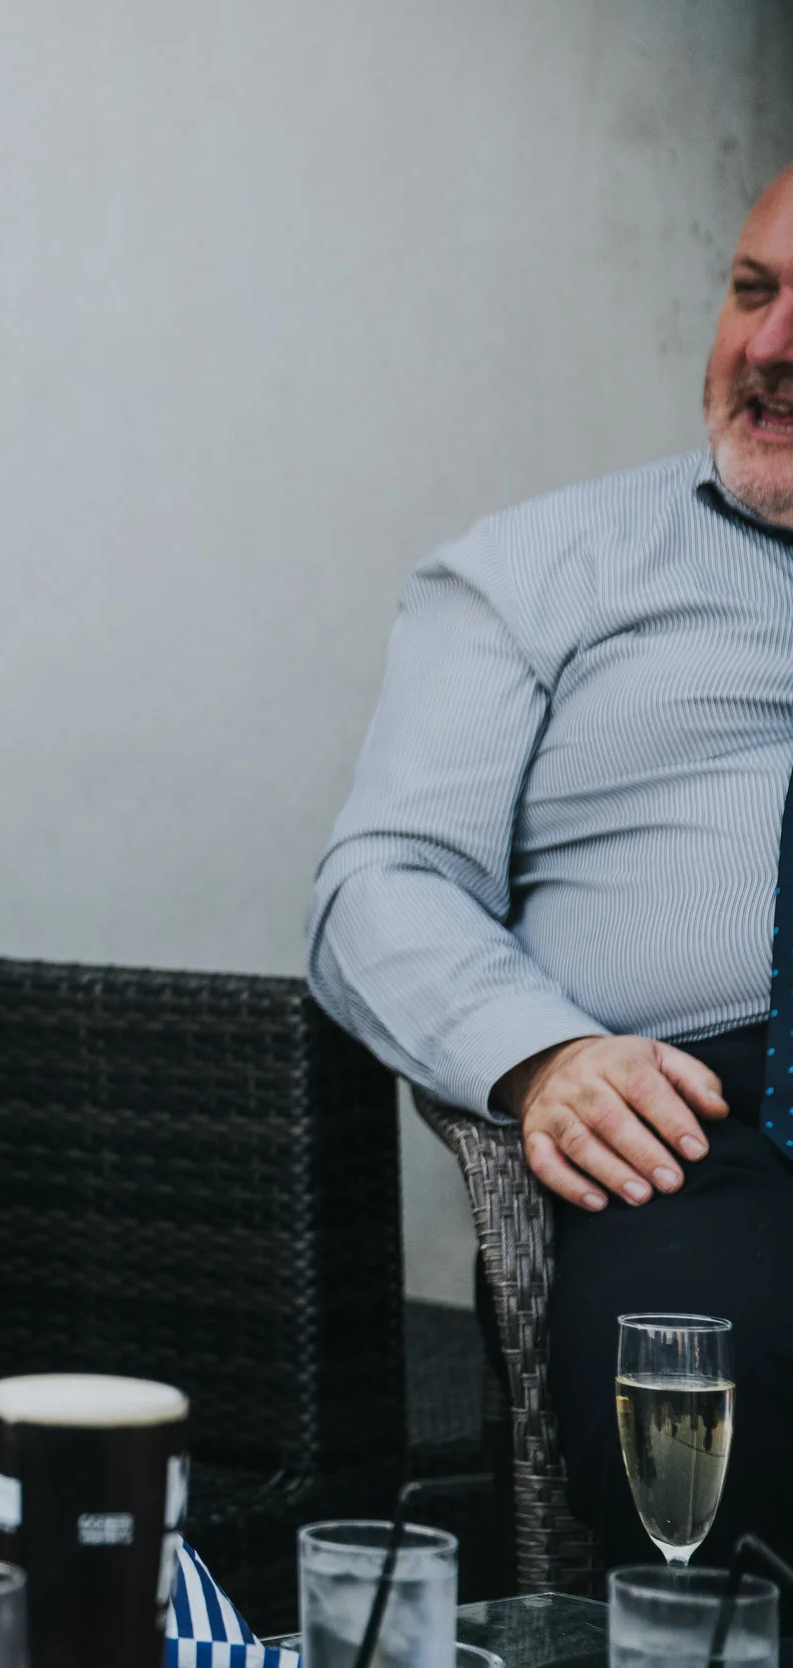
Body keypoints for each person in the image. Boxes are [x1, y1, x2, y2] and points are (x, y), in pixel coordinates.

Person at [310, 165, 793, 1563]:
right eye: (751, 291)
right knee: (699, 1420)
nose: (767, 348)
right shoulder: (542, 566)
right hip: (701, 1120)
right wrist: (547, 1058)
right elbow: (380, 881)